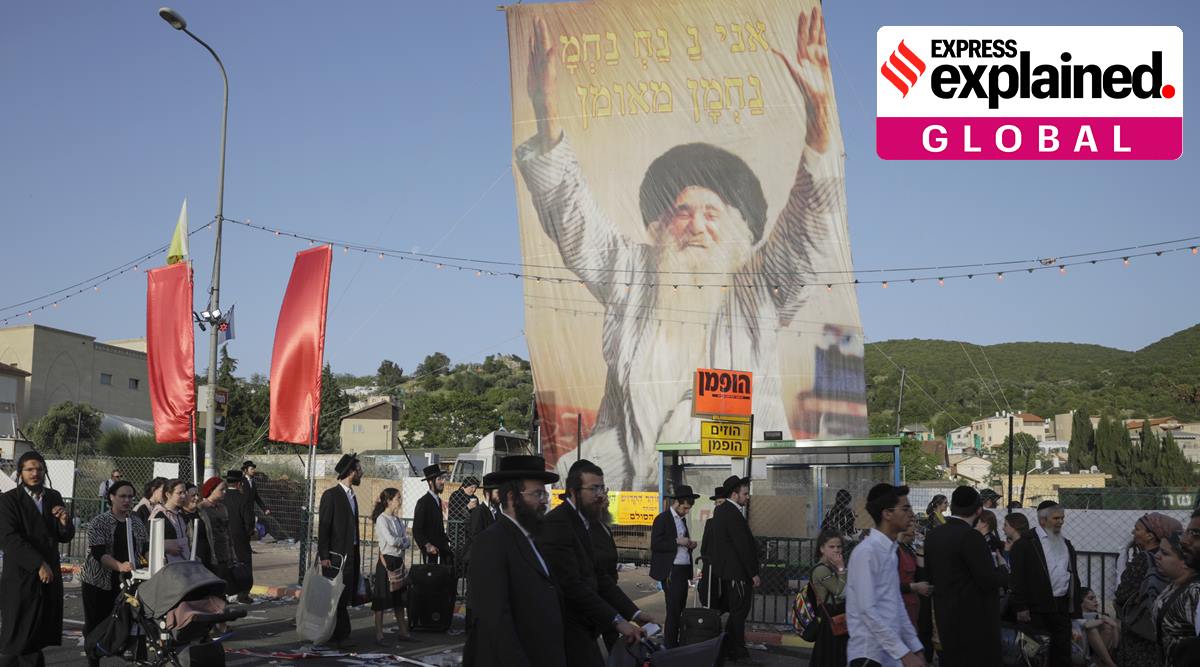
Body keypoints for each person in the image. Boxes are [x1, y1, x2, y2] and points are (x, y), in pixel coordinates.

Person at [519, 7, 857, 490]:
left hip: (737, 465)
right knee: (570, 483)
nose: (696, 226)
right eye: (682, 212)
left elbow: (808, 230)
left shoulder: (757, 283)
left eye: (712, 213)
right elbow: (574, 219)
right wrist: (548, 116)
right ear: (659, 226)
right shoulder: (632, 273)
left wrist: (820, 123)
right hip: (633, 467)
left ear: (738, 232)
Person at [537, 459, 647, 667]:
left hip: (584, 625)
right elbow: (572, 584)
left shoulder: (584, 522)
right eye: (593, 488)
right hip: (567, 627)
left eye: (602, 488)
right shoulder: (558, 523)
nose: (600, 495)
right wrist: (617, 621)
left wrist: (634, 613)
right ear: (573, 491)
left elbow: (598, 575)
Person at [464, 455, 565, 666]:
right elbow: (496, 621)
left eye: (544, 493)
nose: (545, 500)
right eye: (537, 493)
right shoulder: (492, 542)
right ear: (511, 496)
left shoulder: (534, 538)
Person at [0, 451, 74, 666]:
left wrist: (64, 521)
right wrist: (37, 563)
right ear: (20, 473)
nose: (35, 473)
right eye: (30, 469)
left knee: (38, 632)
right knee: (17, 633)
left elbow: (65, 535)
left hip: (48, 574)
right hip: (22, 575)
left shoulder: (53, 496)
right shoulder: (9, 500)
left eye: (39, 469)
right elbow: (9, 538)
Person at [923, 486, 1007, 666]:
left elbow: (930, 573)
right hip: (974, 620)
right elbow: (987, 580)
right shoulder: (971, 537)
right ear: (979, 510)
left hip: (945, 615)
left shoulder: (932, 536)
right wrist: (1003, 569)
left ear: (952, 507)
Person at [844, 482, 924, 667]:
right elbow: (867, 610)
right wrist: (904, 653)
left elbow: (896, 603)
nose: (911, 514)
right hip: (868, 655)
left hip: (890, 655)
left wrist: (915, 646)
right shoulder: (866, 553)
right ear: (887, 514)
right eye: (905, 508)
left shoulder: (890, 551)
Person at [81, 479, 146, 667]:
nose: (127, 500)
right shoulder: (99, 522)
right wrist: (119, 566)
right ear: (111, 497)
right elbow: (99, 552)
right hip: (99, 581)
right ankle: (93, 660)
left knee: (127, 619)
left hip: (128, 580)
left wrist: (153, 559)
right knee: (96, 623)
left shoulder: (135, 520)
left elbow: (145, 546)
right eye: (122, 496)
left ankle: (129, 654)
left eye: (130, 497)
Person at [1009, 500, 1082, 666]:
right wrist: (1021, 606)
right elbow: (1018, 578)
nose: (1060, 522)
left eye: (1062, 518)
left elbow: (1072, 575)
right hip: (1036, 609)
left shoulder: (1066, 544)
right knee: (1034, 653)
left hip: (1061, 607)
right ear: (1043, 520)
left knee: (1061, 651)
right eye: (1056, 518)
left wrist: (1075, 608)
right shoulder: (1025, 544)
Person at [705, 475, 760, 662]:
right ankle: (736, 650)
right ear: (735, 494)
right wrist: (753, 573)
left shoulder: (723, 511)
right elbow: (741, 545)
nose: (748, 497)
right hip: (738, 573)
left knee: (736, 612)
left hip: (731, 571)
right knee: (739, 613)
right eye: (745, 493)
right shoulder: (731, 512)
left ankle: (729, 648)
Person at [1114, 512, 1180, 666]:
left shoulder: (1144, 559)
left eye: (1137, 529)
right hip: (1160, 628)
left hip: (1139, 629)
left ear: (1150, 536)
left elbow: (1122, 594)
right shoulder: (1172, 559)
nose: (1133, 532)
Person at [317, 453, 363, 649]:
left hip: (350, 555)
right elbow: (324, 527)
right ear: (351, 472)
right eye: (359, 470)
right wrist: (324, 555)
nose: (362, 473)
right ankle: (341, 635)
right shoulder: (332, 495)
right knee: (337, 597)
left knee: (344, 596)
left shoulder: (352, 496)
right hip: (335, 557)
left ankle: (337, 633)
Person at [649, 485, 699, 648]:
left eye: (689, 508)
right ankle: (670, 645)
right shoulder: (662, 519)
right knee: (673, 610)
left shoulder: (682, 521)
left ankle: (676, 643)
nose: (686, 511)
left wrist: (689, 544)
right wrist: (677, 541)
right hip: (672, 571)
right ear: (677, 503)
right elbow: (656, 544)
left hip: (683, 570)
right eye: (685, 508)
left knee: (679, 608)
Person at [370, 488, 414, 646]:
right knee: (381, 598)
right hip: (386, 561)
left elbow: (406, 540)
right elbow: (391, 540)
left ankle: (403, 631)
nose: (400, 501)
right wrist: (401, 542)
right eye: (397, 498)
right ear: (388, 501)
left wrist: (402, 542)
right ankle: (379, 634)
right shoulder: (382, 519)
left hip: (398, 560)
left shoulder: (397, 520)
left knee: (399, 599)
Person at [1152, 530, 1200, 666]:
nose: (1157, 556)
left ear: (1186, 561)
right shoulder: (1175, 584)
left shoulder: (1194, 592)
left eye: (1165, 553)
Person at [809, 529, 849, 666]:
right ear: (822, 549)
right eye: (831, 547)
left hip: (839, 614)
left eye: (839, 547)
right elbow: (840, 591)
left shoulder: (833, 566)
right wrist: (842, 569)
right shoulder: (821, 569)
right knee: (829, 656)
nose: (836, 550)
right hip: (830, 617)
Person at [196, 476, 236, 593]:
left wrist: (232, 551)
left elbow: (228, 530)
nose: (224, 492)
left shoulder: (223, 508)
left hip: (224, 550)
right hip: (211, 551)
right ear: (211, 490)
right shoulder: (201, 508)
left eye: (225, 489)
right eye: (221, 489)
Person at [897, 522, 932, 652]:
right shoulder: (895, 550)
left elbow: (921, 575)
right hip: (902, 604)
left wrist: (921, 550)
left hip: (913, 605)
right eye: (913, 526)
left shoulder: (908, 548)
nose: (916, 530)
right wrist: (914, 587)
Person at [222, 470, 255, 603]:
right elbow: (249, 520)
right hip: (240, 537)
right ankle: (243, 593)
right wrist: (249, 532)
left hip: (224, 537)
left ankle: (228, 592)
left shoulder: (221, 498)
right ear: (239, 483)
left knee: (227, 565)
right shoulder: (244, 498)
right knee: (244, 565)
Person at [413, 464, 453, 566]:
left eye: (443, 479)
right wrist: (427, 545)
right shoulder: (423, 502)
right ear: (431, 482)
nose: (442, 482)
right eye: (439, 479)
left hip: (442, 549)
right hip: (432, 553)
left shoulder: (438, 501)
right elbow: (417, 529)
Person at [1073, 587, 1119, 667]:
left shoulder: (1098, 616)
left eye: (1095, 598)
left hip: (1099, 654)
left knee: (1109, 626)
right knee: (1092, 629)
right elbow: (1086, 624)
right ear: (1080, 602)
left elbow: (1115, 645)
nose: (1095, 601)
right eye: (1091, 598)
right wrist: (1103, 620)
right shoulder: (1075, 616)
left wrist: (1114, 626)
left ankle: (1099, 662)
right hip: (1080, 652)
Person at [149, 479, 191, 564]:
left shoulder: (181, 514)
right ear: (168, 494)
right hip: (168, 566)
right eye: (179, 493)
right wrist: (163, 546)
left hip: (184, 563)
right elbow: (148, 541)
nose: (183, 496)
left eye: (185, 492)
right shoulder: (158, 515)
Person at [449, 476, 479, 574]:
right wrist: (467, 507)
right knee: (457, 556)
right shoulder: (456, 495)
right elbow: (454, 513)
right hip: (457, 532)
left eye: (475, 487)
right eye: (471, 487)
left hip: (469, 533)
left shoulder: (475, 498)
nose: (473, 490)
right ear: (465, 486)